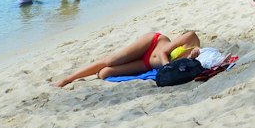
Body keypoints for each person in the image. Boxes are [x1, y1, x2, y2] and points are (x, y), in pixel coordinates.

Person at [53, 29, 201, 85]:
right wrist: (168, 67)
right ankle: (68, 79)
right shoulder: (190, 36)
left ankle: (93, 71)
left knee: (105, 73)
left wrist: (192, 57)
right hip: (152, 44)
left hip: (148, 64)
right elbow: (163, 53)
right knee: (111, 61)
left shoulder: (197, 58)